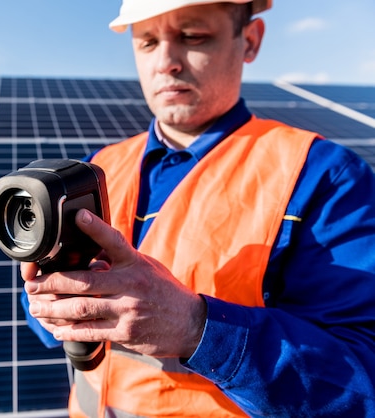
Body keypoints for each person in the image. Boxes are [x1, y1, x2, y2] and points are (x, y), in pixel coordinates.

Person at [20, 0, 375, 416]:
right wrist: (50, 303)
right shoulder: (98, 167)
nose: (166, 62)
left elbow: (361, 379)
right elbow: (43, 317)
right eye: (148, 41)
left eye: (193, 37)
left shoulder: (321, 174)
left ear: (250, 40)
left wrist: (197, 328)